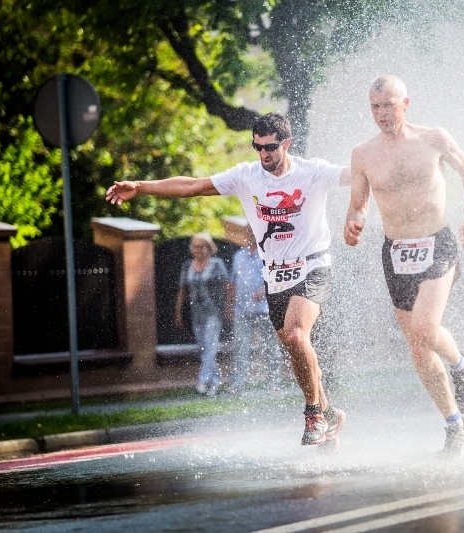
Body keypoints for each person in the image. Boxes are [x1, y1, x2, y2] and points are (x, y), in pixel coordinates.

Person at [106, 112, 352, 450]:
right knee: (293, 345)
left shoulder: (313, 172)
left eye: (271, 147)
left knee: (297, 332)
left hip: (313, 264)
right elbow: (192, 186)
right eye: (258, 147)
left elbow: (360, 174)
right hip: (275, 273)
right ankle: (329, 412)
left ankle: (313, 414)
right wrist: (141, 187)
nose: (264, 154)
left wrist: (368, 197)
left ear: (287, 143)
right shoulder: (247, 176)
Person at [343, 74, 464, 459]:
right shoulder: (363, 153)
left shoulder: (433, 138)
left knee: (424, 329)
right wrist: (352, 221)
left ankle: (460, 363)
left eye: (388, 105)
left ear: (406, 104)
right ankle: (457, 425)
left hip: (437, 243)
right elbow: (359, 203)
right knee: (417, 344)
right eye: (375, 106)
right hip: (395, 251)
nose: (381, 113)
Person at [226, 228, 285, 393]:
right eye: (249, 231)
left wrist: (264, 290)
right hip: (242, 309)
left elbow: (277, 278)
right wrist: (230, 305)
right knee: (240, 347)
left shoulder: (268, 253)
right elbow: (232, 282)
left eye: (254, 230)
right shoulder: (238, 255)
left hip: (265, 309)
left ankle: (274, 383)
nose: (252, 234)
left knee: (270, 347)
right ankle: (238, 383)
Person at [175, 232, 229, 396]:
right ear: (192, 248)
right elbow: (182, 291)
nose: (200, 250)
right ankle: (214, 382)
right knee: (203, 348)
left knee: (210, 347)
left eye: (204, 246)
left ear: (210, 248)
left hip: (213, 311)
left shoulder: (217, 264)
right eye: (197, 246)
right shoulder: (187, 266)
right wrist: (177, 313)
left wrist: (228, 307)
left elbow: (228, 286)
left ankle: (203, 380)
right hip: (196, 313)